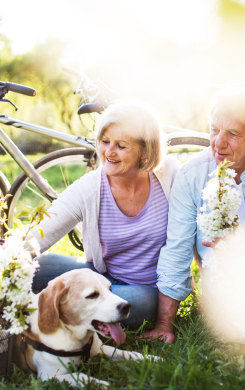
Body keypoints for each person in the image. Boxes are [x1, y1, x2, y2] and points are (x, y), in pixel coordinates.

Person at [142, 88, 245, 342]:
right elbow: (177, 248)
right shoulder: (191, 176)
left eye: (233, 134)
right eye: (214, 129)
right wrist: (165, 325)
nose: (218, 143)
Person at [30, 99, 180, 329]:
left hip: (148, 291)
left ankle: (58, 309)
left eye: (121, 146)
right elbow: (40, 234)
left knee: (137, 302)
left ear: (144, 151)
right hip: (101, 278)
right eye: (105, 141)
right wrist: (1, 263)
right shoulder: (90, 187)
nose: (109, 152)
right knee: (39, 264)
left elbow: (192, 236)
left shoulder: (169, 175)